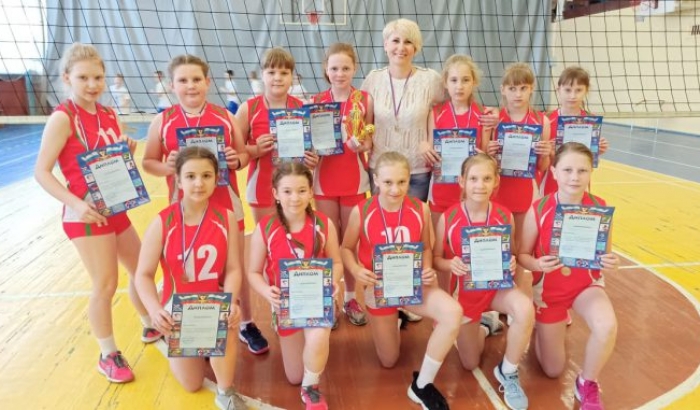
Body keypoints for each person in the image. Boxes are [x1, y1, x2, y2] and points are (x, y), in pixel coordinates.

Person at [34, 43, 158, 384]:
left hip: (114, 207)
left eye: (98, 77)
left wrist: (125, 150)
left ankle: (150, 324)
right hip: (86, 215)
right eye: (83, 78)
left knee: (142, 270)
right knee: (105, 283)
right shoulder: (63, 117)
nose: (92, 84)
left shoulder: (108, 114)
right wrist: (76, 204)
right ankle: (108, 355)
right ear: (67, 78)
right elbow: (41, 172)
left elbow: (107, 162)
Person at [141, 54, 268, 356]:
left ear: (207, 82)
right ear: (172, 85)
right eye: (183, 80)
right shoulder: (163, 121)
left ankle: (246, 322)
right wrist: (167, 166)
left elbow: (243, 155)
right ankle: (187, 319)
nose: (191, 85)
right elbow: (148, 161)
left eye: (196, 79)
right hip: (184, 209)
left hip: (227, 203)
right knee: (187, 267)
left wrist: (238, 159)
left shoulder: (225, 116)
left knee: (235, 266)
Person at [341, 152, 462, 410]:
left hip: (414, 284)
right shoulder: (362, 211)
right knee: (389, 360)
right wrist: (356, 269)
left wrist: (427, 268)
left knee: (453, 312)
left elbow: (426, 247)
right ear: (375, 180)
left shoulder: (420, 209)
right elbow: (346, 248)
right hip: (379, 287)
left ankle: (422, 384)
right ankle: (394, 318)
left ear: (409, 180)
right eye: (388, 182)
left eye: (402, 182)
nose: (395, 189)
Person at [134, 147, 247, 410]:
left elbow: (233, 268)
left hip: (214, 306)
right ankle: (198, 347)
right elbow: (143, 275)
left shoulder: (226, 217)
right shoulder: (163, 222)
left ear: (217, 178)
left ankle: (226, 391)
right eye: (191, 176)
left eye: (206, 175)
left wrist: (231, 301)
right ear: (178, 180)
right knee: (192, 384)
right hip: (179, 312)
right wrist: (155, 310)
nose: (199, 183)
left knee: (229, 321)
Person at [518, 142, 619, 410]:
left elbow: (605, 254)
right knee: (553, 370)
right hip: (550, 292)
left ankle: (587, 382)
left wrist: (611, 261)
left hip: (586, 286)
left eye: (582, 171)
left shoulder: (599, 207)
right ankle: (543, 325)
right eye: (568, 170)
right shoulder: (539, 208)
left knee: (606, 326)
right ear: (554, 172)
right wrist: (537, 264)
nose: (575, 177)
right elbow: (522, 255)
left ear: (590, 172)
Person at [433, 153, 534, 410]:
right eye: (474, 179)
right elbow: (436, 260)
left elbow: (512, 253)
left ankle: (508, 371)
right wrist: (450, 264)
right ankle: (485, 326)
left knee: (525, 308)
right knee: (469, 363)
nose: (480, 185)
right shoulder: (448, 218)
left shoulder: (504, 215)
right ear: (462, 181)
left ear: (496, 181)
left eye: (487, 179)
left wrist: (512, 262)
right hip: (466, 293)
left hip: (498, 289)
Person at [247, 161, 343, 410]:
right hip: (286, 304)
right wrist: (267, 292)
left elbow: (336, 263)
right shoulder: (266, 228)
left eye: (301, 190)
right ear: (276, 194)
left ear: (311, 192)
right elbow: (253, 272)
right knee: (293, 376)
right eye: (287, 191)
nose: (295, 198)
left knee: (319, 336)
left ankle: (311, 387)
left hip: (317, 299)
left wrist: (333, 280)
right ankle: (304, 358)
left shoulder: (323, 224)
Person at [311, 42, 374, 327]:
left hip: (354, 179)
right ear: (326, 69)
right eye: (334, 68)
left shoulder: (364, 99)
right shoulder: (315, 102)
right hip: (324, 180)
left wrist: (363, 143)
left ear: (354, 69)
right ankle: (331, 299)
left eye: (345, 68)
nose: (340, 73)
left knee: (349, 244)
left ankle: (349, 297)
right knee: (327, 243)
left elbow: (369, 137)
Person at [419, 54, 493, 290]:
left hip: (473, 194)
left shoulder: (483, 115)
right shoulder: (436, 113)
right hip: (442, 191)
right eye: (454, 80)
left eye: (465, 80)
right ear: (445, 83)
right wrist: (427, 150)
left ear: (474, 82)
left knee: (472, 247)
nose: (459, 86)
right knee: (441, 250)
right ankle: (445, 296)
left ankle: (474, 300)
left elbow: (487, 159)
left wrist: (482, 154)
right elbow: (431, 154)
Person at [486, 62, 553, 295]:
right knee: (497, 244)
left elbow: (542, 167)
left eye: (523, 88)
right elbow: (485, 162)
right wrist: (489, 152)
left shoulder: (541, 121)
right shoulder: (495, 118)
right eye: (512, 88)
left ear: (531, 89)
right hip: (498, 190)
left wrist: (545, 154)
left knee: (517, 249)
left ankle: (512, 294)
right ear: (503, 90)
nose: (518, 94)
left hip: (525, 191)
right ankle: (493, 295)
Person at [360, 18, 444, 201]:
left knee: (413, 217)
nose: (401, 47)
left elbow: (451, 110)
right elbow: (362, 119)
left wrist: (430, 142)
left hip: (417, 169)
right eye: (396, 41)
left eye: (408, 42)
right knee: (383, 217)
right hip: (381, 168)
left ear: (416, 48)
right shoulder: (373, 80)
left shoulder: (430, 79)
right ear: (386, 45)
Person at [237, 47, 319, 225]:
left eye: (284, 73)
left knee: (295, 237)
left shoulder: (302, 109)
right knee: (266, 237)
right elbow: (236, 151)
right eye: (271, 72)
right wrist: (256, 149)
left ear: (292, 76)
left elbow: (310, 149)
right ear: (262, 74)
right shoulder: (248, 109)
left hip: (295, 189)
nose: (278, 77)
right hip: (262, 187)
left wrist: (312, 160)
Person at [541, 66, 610, 195]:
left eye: (578, 90)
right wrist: (546, 152)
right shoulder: (546, 120)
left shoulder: (591, 121)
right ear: (558, 90)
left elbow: (590, 162)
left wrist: (596, 151)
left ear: (586, 90)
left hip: (578, 184)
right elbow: (539, 163)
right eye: (568, 90)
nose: (572, 96)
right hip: (550, 182)